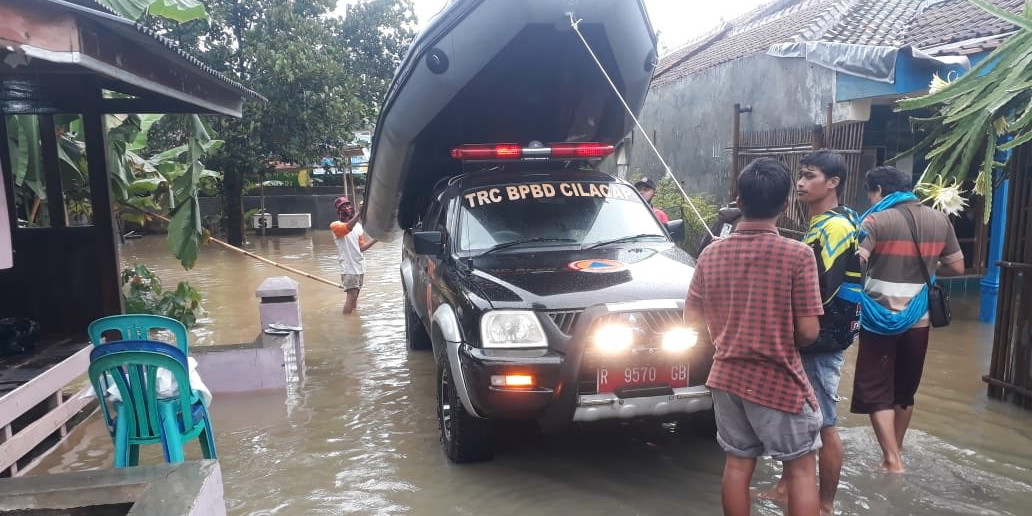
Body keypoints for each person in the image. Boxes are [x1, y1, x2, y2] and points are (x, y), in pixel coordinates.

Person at [684, 158, 823, 516]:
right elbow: (809, 332)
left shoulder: (710, 253)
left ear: (738, 202)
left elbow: (691, 322)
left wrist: (729, 334)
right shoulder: (798, 254)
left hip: (726, 377)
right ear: (785, 204)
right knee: (802, 469)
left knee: (737, 465)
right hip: (778, 377)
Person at [762, 150, 862, 515]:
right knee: (801, 417)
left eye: (809, 176)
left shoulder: (835, 227)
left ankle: (825, 504)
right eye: (800, 177)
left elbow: (820, 290)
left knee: (824, 425)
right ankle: (787, 488)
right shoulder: (832, 219)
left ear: (832, 182)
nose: (801, 183)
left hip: (821, 338)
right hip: (818, 336)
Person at [851, 166, 964, 473]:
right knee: (904, 390)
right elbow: (957, 267)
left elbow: (854, 263)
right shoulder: (939, 220)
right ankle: (895, 451)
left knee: (876, 390)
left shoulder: (874, 220)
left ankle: (892, 460)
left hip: (877, 318)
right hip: (919, 319)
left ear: (877, 190)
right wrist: (925, 264)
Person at [330, 196, 376, 315]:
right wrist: (359, 214)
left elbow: (361, 248)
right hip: (349, 268)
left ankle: (354, 321)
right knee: (351, 296)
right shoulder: (335, 225)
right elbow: (346, 228)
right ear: (339, 211)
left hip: (359, 267)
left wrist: (376, 239)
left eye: (349, 205)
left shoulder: (358, 227)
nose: (348, 208)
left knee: (355, 298)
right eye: (344, 207)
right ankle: (347, 323)